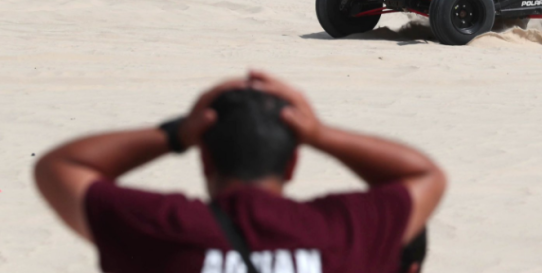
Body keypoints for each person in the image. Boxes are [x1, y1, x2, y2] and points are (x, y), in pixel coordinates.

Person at [34, 70, 447, 273]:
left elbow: (60, 166)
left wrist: (178, 132)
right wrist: (320, 133)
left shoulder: (161, 229)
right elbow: (424, 176)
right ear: (292, 161)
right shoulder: (340, 232)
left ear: (205, 158)